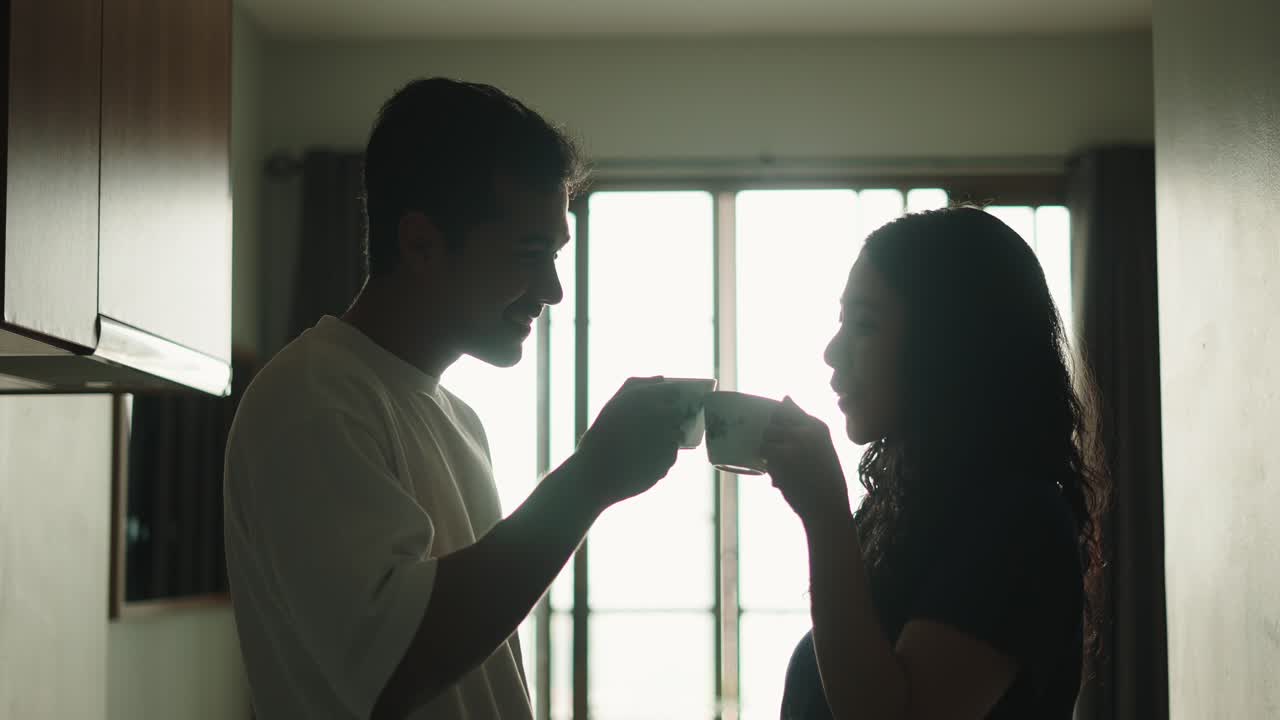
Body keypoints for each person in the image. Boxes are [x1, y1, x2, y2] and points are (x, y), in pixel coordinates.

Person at [223, 78, 687, 720]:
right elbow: (398, 662)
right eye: (530, 254)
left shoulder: (456, 418)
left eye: (556, 255)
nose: (553, 290)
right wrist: (591, 479)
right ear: (420, 244)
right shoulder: (312, 396)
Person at [761, 207, 1107, 719]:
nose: (833, 351)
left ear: (943, 342)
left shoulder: (1020, 523)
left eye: (865, 324)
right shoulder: (909, 517)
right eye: (842, 322)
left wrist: (823, 513)